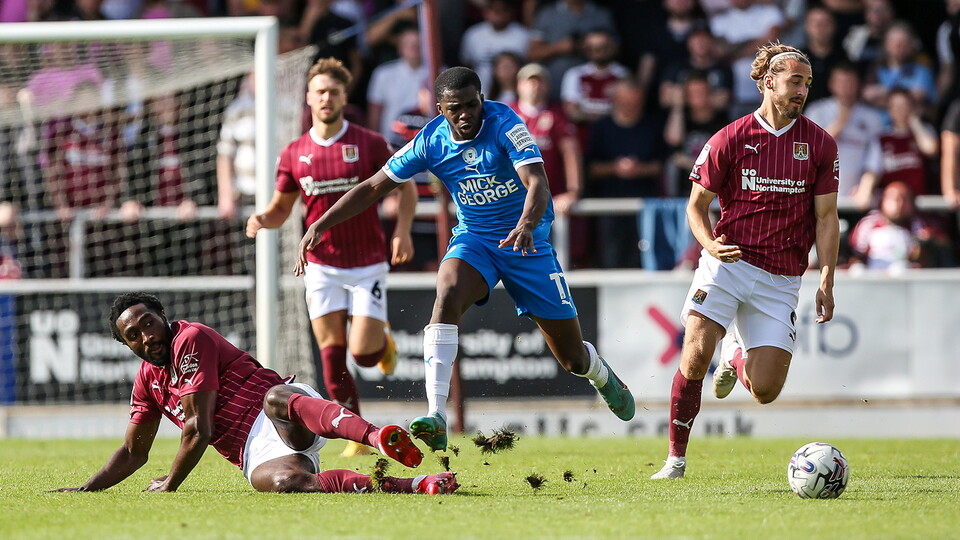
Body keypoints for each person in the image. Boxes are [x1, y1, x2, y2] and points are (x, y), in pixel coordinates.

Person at [294, 66, 635, 452]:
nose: (466, 114)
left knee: (572, 359)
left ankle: (602, 375)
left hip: (528, 243)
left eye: (473, 104)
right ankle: (436, 415)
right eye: (456, 108)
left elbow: (537, 182)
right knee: (448, 290)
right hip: (476, 241)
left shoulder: (505, 121)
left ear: (482, 99)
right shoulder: (429, 141)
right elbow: (374, 186)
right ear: (440, 108)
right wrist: (320, 223)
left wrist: (526, 223)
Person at [649, 44, 840, 479]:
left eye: (807, 84)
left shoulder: (819, 144)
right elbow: (695, 208)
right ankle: (675, 460)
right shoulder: (731, 137)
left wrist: (827, 277)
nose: (802, 91)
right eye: (795, 81)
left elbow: (827, 218)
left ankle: (736, 355)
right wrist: (708, 245)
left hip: (781, 277)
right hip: (729, 262)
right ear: (767, 82)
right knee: (695, 355)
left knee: (766, 391)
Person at [52, 292, 457, 494]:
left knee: (275, 399)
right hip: (254, 451)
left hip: (284, 409)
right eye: (134, 335)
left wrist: (172, 482)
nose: (146, 335)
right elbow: (133, 451)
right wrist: (87, 489)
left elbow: (199, 428)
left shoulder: (188, 338)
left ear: (163, 317)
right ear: (127, 346)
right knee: (284, 482)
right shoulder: (147, 381)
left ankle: (376, 438)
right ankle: (416, 485)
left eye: (149, 322)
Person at [246, 58, 417, 458]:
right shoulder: (294, 153)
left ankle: (382, 344)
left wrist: (403, 230)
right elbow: (280, 209)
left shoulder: (369, 142)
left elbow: (405, 187)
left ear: (344, 97)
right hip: (321, 264)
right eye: (320, 91)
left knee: (364, 353)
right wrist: (261, 220)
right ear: (309, 98)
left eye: (334, 91)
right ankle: (357, 434)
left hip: (368, 262)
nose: (326, 98)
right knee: (331, 353)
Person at [848, 181, 953, 272]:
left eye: (905, 199)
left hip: (907, 284)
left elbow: (943, 243)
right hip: (872, 280)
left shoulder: (918, 224)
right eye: (895, 199)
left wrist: (925, 245)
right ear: (883, 201)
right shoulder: (868, 224)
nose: (900, 204)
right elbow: (855, 255)